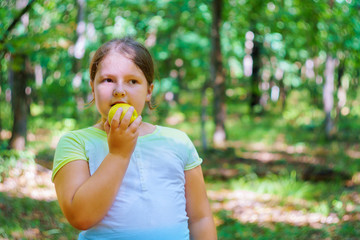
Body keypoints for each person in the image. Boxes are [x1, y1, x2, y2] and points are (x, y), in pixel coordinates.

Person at [52, 37, 217, 240]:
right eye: (108, 80)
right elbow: (80, 217)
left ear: (149, 91)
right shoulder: (75, 142)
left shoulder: (178, 141)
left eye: (132, 81)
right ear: (92, 87)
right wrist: (118, 154)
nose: (119, 90)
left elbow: (200, 219)